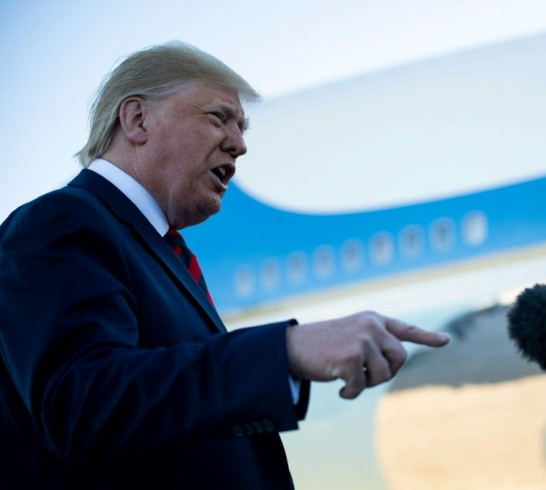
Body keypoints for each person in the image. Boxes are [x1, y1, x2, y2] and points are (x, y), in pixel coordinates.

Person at [0, 41, 450, 489]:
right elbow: (82, 406)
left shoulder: (163, 253)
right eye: (218, 118)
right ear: (137, 120)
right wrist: (284, 351)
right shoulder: (61, 220)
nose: (238, 145)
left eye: (242, 127)